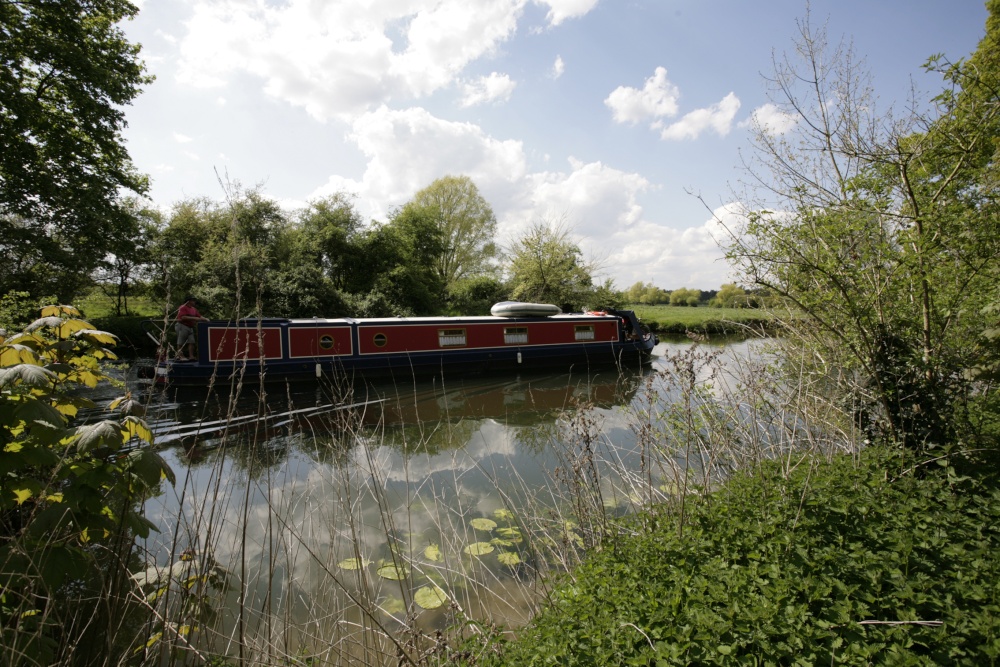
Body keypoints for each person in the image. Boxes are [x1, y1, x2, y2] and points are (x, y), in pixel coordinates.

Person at [175, 296, 207, 361]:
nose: (194, 302)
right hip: (182, 325)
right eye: (193, 300)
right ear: (188, 301)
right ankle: (180, 355)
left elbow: (199, 316)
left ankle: (191, 356)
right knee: (181, 341)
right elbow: (182, 317)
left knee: (191, 341)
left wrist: (206, 319)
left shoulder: (193, 309)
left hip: (190, 327)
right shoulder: (183, 307)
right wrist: (194, 318)